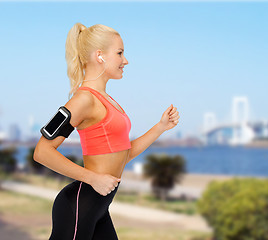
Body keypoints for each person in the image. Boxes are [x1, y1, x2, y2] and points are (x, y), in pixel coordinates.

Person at [33, 22, 180, 240]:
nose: (125, 60)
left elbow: (123, 155)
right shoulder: (83, 99)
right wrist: (92, 178)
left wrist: (160, 127)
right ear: (99, 55)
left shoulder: (109, 101)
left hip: (99, 207)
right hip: (78, 208)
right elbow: (42, 151)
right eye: (120, 53)